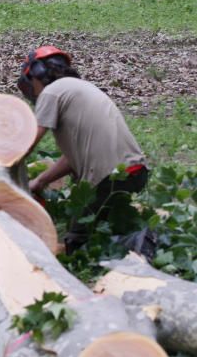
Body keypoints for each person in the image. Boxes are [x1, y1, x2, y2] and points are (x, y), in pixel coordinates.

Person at [18, 46, 148, 253]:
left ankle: (138, 251)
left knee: (78, 245)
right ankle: (136, 245)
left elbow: (32, 138)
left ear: (36, 74)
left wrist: (5, 164)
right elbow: (72, 159)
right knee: (107, 233)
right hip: (133, 172)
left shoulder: (51, 92)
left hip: (106, 178)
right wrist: (40, 181)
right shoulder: (78, 89)